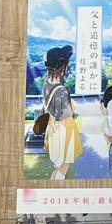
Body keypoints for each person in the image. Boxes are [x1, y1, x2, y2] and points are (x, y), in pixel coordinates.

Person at [42, 45, 82, 181]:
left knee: (58, 171)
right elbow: (63, 121)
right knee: (62, 170)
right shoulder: (61, 91)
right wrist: (60, 152)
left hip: (53, 130)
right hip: (64, 134)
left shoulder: (47, 83)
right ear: (62, 67)